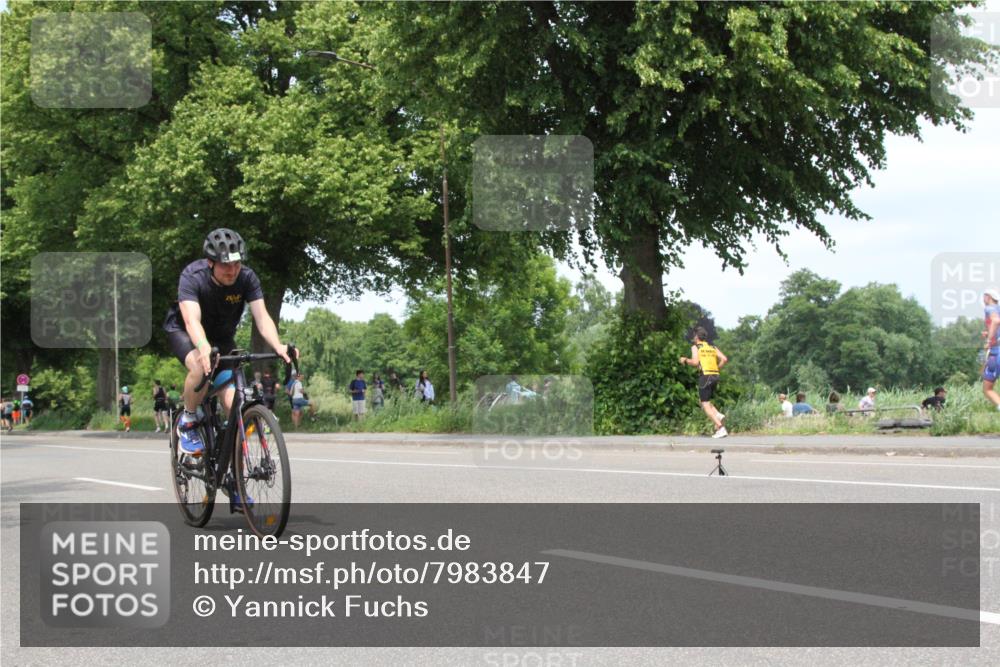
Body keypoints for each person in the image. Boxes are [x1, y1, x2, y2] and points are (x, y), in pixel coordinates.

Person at [162, 228, 295, 470]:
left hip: (222, 338)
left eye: (236, 264)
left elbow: (262, 317)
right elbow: (192, 320)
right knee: (200, 368)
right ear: (210, 263)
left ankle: (235, 478)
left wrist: (278, 345)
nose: (233, 271)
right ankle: (189, 420)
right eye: (226, 266)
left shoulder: (247, 278)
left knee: (234, 401)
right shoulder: (193, 276)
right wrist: (202, 348)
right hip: (186, 333)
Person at [679, 327, 728, 438]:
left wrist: (685, 360)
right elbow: (724, 359)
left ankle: (720, 428)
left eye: (693, 335)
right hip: (715, 376)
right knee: (705, 401)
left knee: (705, 404)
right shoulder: (712, 347)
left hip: (705, 376)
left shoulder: (696, 347)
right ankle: (718, 415)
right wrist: (717, 368)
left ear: (696, 337)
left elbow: (695, 362)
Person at [982, 288, 1000, 411]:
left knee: (987, 389)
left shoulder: (989, 308)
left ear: (988, 297)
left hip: (996, 352)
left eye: (984, 296)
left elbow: (996, 321)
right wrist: (989, 333)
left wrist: (989, 341)